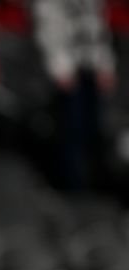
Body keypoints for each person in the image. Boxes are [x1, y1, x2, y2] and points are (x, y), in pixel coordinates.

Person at [33, 0, 117, 191]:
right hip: (68, 69)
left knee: (93, 125)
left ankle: (91, 178)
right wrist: (61, 67)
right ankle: (69, 182)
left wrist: (105, 66)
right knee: (71, 125)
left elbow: (98, 29)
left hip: (90, 68)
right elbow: (48, 27)